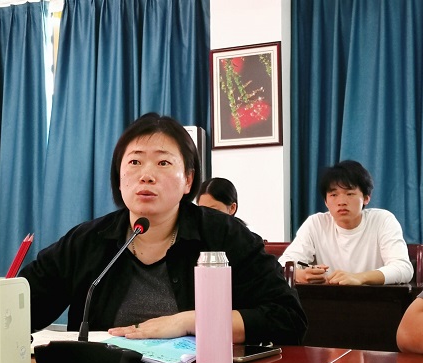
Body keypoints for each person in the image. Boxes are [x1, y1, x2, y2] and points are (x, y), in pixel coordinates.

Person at [20, 113, 307, 345]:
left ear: (188, 180)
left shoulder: (223, 235)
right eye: (134, 162)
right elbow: (20, 311)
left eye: (163, 162)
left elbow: (288, 318)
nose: (146, 175)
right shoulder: (87, 241)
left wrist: (189, 322)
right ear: (119, 177)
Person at [279, 160, 413, 285]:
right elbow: (283, 264)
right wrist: (300, 274)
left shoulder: (382, 220)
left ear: (366, 198)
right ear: (326, 201)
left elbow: (403, 268)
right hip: (327, 298)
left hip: (374, 298)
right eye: (333, 195)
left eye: (349, 194)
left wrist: (360, 278)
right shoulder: (316, 223)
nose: (341, 202)